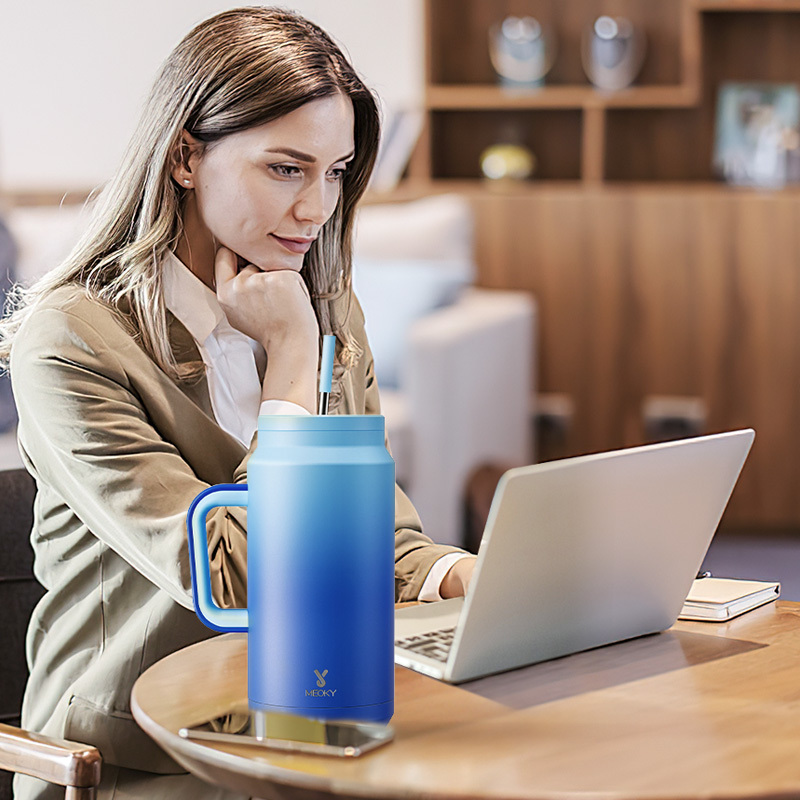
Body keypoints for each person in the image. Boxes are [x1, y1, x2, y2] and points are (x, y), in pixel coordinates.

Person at [0, 7, 477, 799]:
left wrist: (478, 582)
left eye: (335, 172)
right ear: (187, 156)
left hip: (310, 720)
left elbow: (378, 537)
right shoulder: (73, 341)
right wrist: (291, 365)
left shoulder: (328, 308)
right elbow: (235, 576)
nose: (318, 208)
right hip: (139, 761)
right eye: (286, 169)